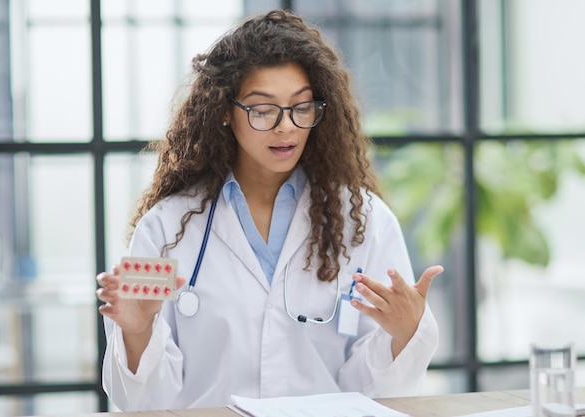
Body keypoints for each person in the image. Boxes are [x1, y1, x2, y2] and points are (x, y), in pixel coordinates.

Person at [96, 9, 443, 411]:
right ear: (225, 111)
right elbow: (144, 403)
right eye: (263, 110)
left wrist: (404, 335)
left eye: (302, 107)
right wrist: (138, 334)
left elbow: (376, 397)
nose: (286, 127)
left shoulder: (364, 221)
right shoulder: (167, 227)